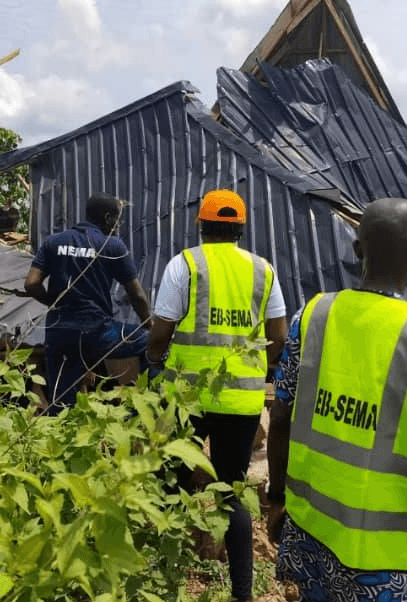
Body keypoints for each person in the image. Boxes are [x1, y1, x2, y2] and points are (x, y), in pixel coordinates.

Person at [266, 197, 407, 602]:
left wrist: (277, 499)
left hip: (311, 535)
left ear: (357, 249)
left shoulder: (312, 316)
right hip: (384, 564)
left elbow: (281, 418)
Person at [146, 189, 287, 602]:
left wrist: (156, 360)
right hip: (241, 402)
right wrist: (254, 368)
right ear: (240, 229)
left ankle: (164, 581)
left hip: (186, 397)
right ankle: (242, 592)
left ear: (201, 225)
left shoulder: (185, 264)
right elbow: (278, 337)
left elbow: (162, 328)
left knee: (171, 485)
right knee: (232, 488)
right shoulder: (264, 270)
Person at [24, 192, 151, 413]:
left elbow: (31, 284)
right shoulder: (112, 246)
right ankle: (141, 411)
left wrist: (53, 302)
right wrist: (149, 325)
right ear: (108, 218)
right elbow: (137, 295)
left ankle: (58, 439)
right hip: (98, 333)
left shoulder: (54, 242)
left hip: (59, 331)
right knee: (153, 342)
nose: (118, 224)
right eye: (117, 219)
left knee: (61, 402)